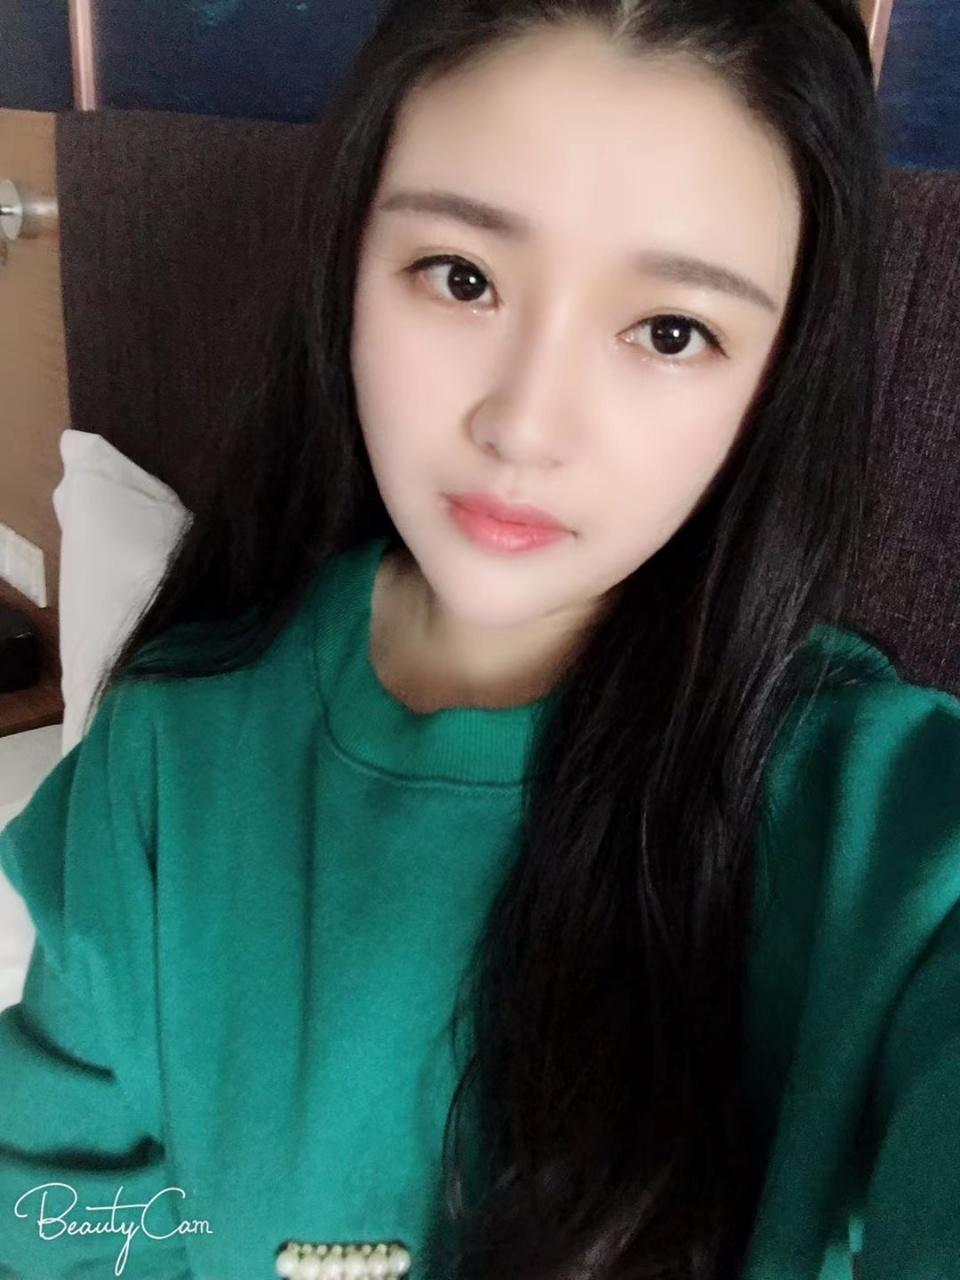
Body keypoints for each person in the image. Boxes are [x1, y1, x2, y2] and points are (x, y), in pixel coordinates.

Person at [1, 1, 958, 1278]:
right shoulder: (167, 753)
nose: (525, 424)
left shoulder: (886, 832)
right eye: (462, 276)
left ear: (776, 378)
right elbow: (58, 1226)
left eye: (671, 331)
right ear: (350, 265)